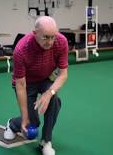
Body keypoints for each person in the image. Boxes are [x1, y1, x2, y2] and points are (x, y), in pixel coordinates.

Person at [4, 16, 68, 155]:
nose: (50, 42)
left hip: (46, 78)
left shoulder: (61, 42)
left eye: (53, 37)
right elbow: (20, 84)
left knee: (54, 100)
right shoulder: (21, 49)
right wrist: (25, 116)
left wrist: (49, 93)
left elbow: (63, 74)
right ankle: (12, 124)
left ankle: (46, 141)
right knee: (33, 123)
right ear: (35, 33)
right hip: (26, 82)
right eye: (46, 37)